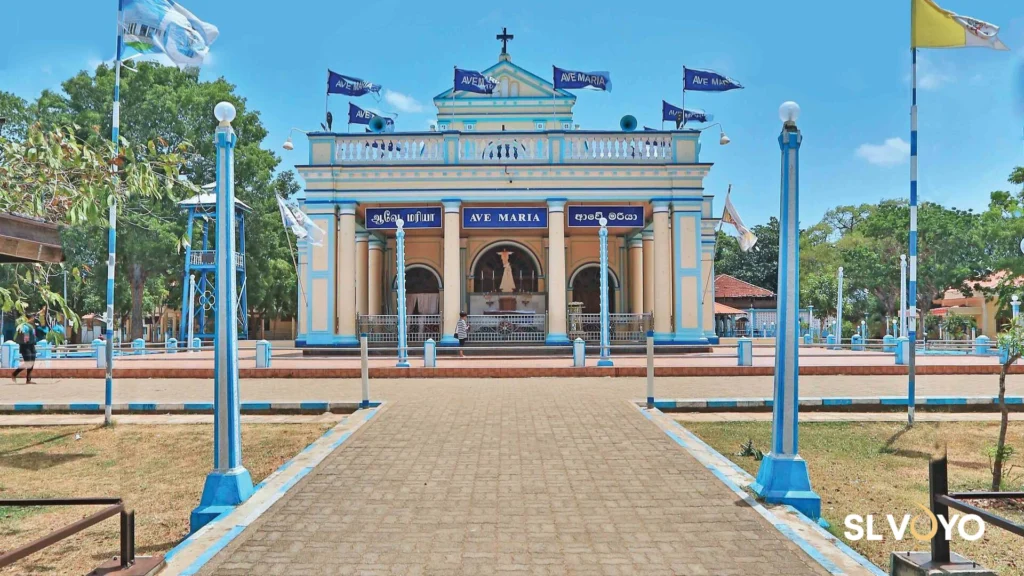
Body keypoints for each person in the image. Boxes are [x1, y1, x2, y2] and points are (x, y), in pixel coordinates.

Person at [12, 313, 39, 384]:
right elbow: (26, 336)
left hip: (31, 345)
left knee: (32, 363)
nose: (33, 319)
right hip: (25, 346)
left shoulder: (31, 326)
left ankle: (28, 379)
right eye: (32, 318)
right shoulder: (25, 326)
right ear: (28, 319)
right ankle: (14, 374)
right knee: (28, 363)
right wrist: (27, 341)